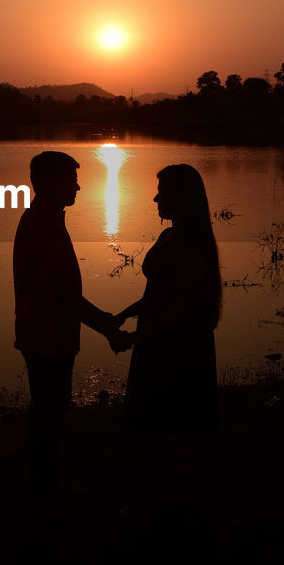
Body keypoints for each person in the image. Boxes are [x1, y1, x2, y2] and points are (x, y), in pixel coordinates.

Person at [13, 150, 126, 496]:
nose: (78, 187)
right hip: (45, 335)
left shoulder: (46, 219)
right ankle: (43, 490)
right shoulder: (43, 225)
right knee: (49, 415)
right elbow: (62, 294)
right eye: (71, 180)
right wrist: (106, 325)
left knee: (49, 412)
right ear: (46, 183)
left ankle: (42, 484)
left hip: (48, 333)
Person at [112, 164, 221, 435]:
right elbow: (157, 293)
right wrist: (125, 313)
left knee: (173, 425)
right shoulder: (168, 235)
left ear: (181, 197)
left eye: (162, 192)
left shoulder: (192, 243)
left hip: (178, 345)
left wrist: (135, 338)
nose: (155, 198)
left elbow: (181, 307)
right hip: (154, 338)